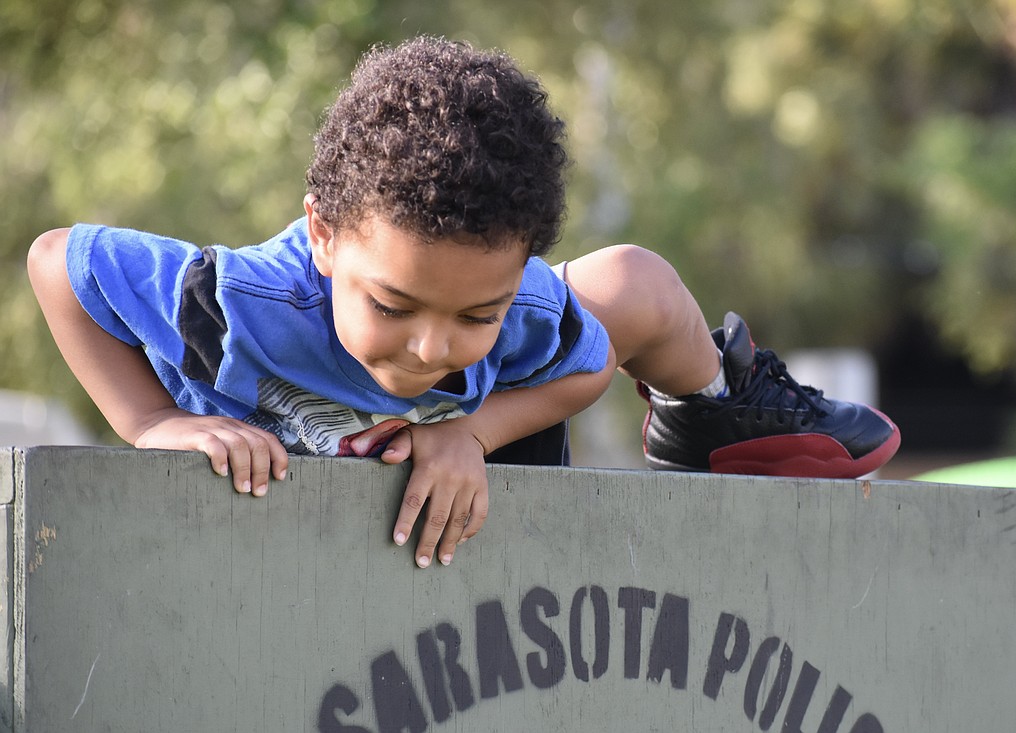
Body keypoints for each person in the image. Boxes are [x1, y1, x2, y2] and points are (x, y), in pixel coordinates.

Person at [27, 36, 900, 569]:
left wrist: (469, 432)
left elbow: (586, 367)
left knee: (633, 281)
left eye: (472, 314)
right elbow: (56, 263)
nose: (429, 348)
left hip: (495, 463)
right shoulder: (232, 302)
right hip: (288, 495)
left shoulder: (516, 314)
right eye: (393, 304)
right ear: (324, 237)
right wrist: (148, 421)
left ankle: (709, 410)